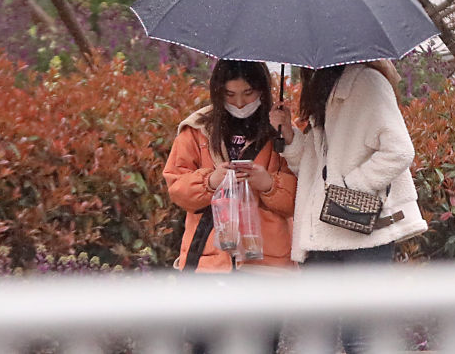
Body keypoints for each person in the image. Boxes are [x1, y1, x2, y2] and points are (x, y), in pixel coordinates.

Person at [270, 60, 427, 354]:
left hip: (362, 231)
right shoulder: (326, 87)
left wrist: (348, 187)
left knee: (362, 338)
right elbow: (319, 164)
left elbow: (399, 150)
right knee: (319, 337)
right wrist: (288, 133)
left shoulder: (366, 82)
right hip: (323, 231)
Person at [163, 60, 297, 352]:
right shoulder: (197, 129)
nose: (239, 102)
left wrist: (269, 184)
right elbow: (177, 188)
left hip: (265, 265)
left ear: (262, 90)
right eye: (230, 94)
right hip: (210, 261)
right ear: (217, 92)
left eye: (248, 93)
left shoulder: (280, 132)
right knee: (205, 345)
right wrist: (210, 180)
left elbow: (297, 200)